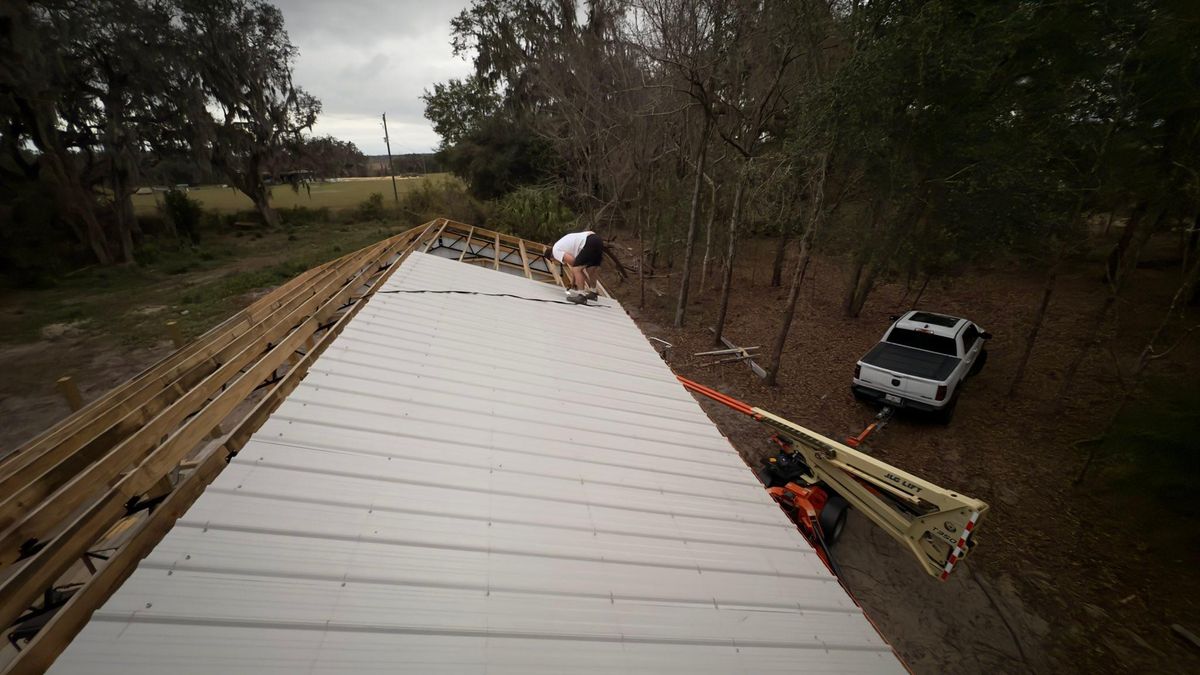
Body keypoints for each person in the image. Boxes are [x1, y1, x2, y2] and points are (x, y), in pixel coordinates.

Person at [545, 230, 603, 303]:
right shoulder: (561, 245)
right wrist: (573, 281)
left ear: (551, 258)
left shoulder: (555, 251)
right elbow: (576, 265)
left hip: (589, 242)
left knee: (577, 269)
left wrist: (574, 281)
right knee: (591, 269)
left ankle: (581, 296)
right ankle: (593, 293)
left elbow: (574, 262)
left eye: (553, 261)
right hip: (597, 240)